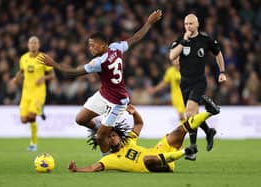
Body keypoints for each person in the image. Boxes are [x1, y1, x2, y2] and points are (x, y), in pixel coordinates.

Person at [37, 10, 162, 155]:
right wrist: (149, 23)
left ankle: (106, 160)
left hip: (117, 101)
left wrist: (54, 64)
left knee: (101, 136)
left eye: (93, 45)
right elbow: (136, 38)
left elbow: (74, 72)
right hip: (104, 95)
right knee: (80, 119)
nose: (90, 48)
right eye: (89, 45)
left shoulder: (99, 62)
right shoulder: (116, 47)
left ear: (103, 46)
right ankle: (104, 127)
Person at [68, 95, 220, 173]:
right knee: (148, 159)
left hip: (159, 151)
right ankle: (185, 152)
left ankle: (210, 112)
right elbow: (94, 167)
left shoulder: (128, 141)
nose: (112, 137)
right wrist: (77, 169)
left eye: (114, 135)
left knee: (178, 131)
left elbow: (139, 124)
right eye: (109, 137)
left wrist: (134, 113)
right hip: (157, 164)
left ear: (119, 136)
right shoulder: (110, 159)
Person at [169, 13, 227, 160]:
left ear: (197, 24)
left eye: (191, 24)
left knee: (188, 114)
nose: (188, 26)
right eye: (186, 24)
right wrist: (184, 41)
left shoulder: (205, 40)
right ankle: (208, 132)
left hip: (199, 81)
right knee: (191, 116)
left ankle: (193, 148)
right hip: (184, 83)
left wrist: (222, 72)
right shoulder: (181, 40)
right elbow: (172, 56)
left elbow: (218, 54)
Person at [10, 36, 55, 151]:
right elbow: (21, 71)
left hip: (38, 93)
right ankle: (39, 111)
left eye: (35, 43)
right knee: (24, 120)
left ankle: (33, 144)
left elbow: (52, 75)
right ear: (28, 45)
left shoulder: (43, 58)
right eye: (31, 43)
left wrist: (43, 78)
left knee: (31, 116)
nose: (33, 45)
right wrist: (15, 79)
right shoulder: (23, 58)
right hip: (26, 93)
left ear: (39, 45)